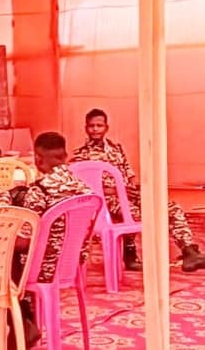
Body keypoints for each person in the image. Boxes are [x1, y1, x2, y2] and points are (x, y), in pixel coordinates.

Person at [71, 108, 205, 272]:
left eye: (99, 125)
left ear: (106, 127)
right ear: (86, 128)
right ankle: (130, 255)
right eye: (92, 126)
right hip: (107, 201)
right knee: (133, 213)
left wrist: (138, 190)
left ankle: (189, 251)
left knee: (171, 208)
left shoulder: (116, 149)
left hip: (127, 195)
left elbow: (129, 174)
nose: (95, 129)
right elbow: (85, 188)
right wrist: (117, 191)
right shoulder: (80, 156)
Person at [13, 132, 95, 349]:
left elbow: (24, 242)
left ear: (38, 160)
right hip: (72, 266)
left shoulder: (39, 190)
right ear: (65, 156)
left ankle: (23, 324)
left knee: (4, 259)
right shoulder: (85, 189)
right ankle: (26, 321)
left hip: (43, 269)